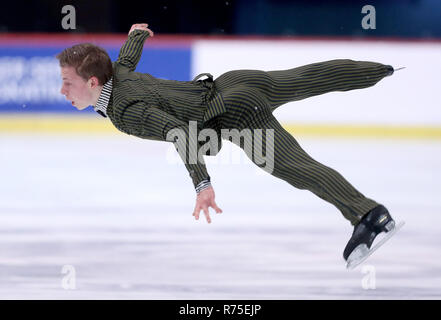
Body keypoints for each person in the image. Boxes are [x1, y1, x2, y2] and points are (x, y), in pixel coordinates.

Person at [57, 23, 401, 267]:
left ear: (92, 82)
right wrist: (136, 35)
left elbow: (179, 132)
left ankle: (369, 216)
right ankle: (379, 71)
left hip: (234, 112)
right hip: (235, 81)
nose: (63, 91)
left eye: (67, 83)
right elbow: (125, 62)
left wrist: (202, 183)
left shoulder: (124, 111)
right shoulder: (115, 74)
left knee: (294, 168)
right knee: (304, 78)